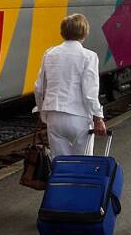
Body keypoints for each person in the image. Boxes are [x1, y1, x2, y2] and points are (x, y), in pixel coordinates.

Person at [34, 13, 107, 158]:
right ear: (85, 32)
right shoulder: (89, 56)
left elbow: (39, 87)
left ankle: (61, 181)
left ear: (63, 32)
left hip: (54, 117)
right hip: (78, 117)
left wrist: (43, 113)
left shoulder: (49, 54)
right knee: (83, 162)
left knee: (60, 163)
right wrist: (98, 118)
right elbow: (89, 92)